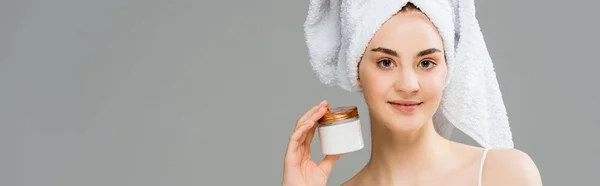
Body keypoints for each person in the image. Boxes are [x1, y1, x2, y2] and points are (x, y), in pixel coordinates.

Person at [282, 2, 542, 186]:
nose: (408, 85)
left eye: (426, 63)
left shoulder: (504, 175)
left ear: (448, 70)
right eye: (386, 62)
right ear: (356, 71)